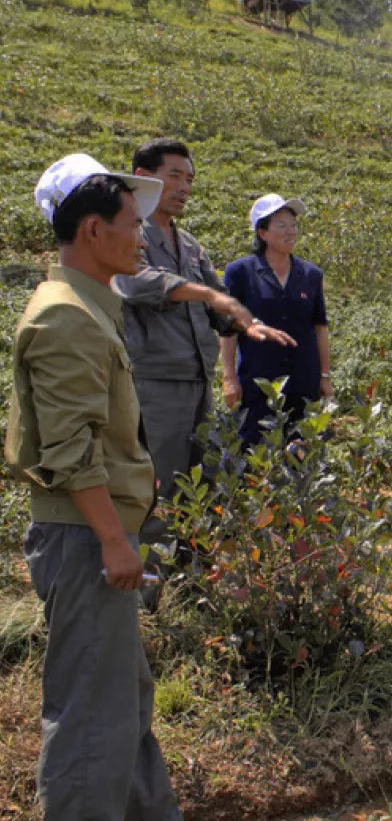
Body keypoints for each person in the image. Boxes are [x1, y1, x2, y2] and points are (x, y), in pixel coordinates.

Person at [9, 154, 180, 818]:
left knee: (121, 703)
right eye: (131, 225)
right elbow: (72, 449)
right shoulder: (67, 317)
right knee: (91, 720)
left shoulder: (86, 306)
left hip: (96, 534)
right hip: (86, 540)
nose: (142, 237)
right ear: (90, 231)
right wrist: (114, 540)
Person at [113, 139, 292, 576]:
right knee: (156, 491)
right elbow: (138, 283)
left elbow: (217, 302)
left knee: (200, 489)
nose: (184, 187)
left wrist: (242, 325)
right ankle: (150, 596)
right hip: (154, 386)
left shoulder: (189, 244)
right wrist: (206, 293)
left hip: (197, 384)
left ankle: (192, 587)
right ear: (142, 175)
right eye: (174, 175)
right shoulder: (128, 233)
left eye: (189, 179)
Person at [220, 194, 331, 445]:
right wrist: (229, 378)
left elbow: (319, 328)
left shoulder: (311, 275)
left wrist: (324, 375)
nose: (290, 231)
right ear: (262, 233)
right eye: (280, 225)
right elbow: (228, 329)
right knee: (255, 455)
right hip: (259, 382)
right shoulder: (240, 272)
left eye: (293, 224)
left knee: (302, 455)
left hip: (303, 380)